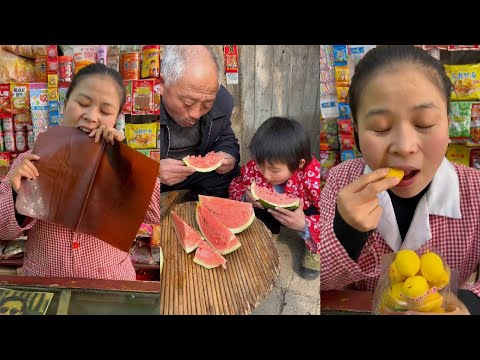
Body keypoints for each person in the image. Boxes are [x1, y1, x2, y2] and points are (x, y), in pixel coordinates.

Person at [320, 45, 479, 315]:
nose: (404, 147)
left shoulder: (476, 190)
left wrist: (468, 303)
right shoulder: (339, 182)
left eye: (425, 123)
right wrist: (345, 232)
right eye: (381, 127)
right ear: (357, 133)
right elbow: (320, 282)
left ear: (449, 125)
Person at [0, 63, 161, 280]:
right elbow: (3, 231)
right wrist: (17, 195)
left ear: (115, 119)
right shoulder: (31, 160)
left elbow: (157, 213)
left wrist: (124, 163)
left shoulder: (122, 165)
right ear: (65, 104)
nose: (92, 116)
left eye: (105, 111)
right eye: (82, 103)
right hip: (46, 282)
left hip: (109, 285)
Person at [229, 117, 320, 280]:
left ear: (299, 164)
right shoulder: (253, 168)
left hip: (305, 213)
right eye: (259, 165)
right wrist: (245, 197)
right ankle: (269, 231)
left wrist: (305, 225)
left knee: (314, 213)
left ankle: (314, 250)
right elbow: (236, 184)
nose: (265, 174)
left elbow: (334, 221)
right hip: (269, 211)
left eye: (274, 170)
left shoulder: (315, 178)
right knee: (257, 203)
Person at [159, 45, 240, 200]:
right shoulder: (137, 100)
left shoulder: (222, 102)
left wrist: (228, 153)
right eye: (188, 103)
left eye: (206, 105)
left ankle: (194, 207)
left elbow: (226, 138)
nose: (195, 114)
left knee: (232, 174)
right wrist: (151, 172)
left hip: (193, 174)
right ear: (162, 84)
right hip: (154, 176)